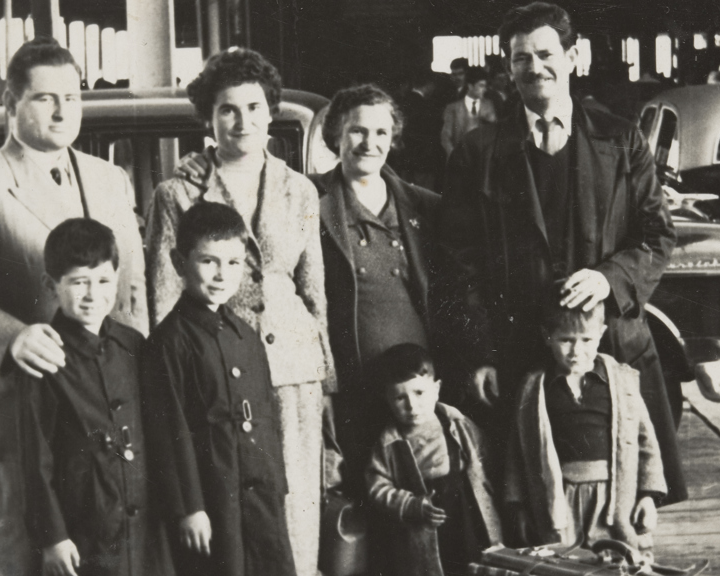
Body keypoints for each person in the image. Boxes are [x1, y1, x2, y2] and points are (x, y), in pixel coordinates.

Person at [438, 1, 687, 504]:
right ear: (508, 68)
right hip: (518, 359)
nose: (535, 67)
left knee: (620, 500)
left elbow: (658, 235)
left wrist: (610, 278)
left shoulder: (621, 139)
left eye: (546, 53)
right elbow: (456, 264)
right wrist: (479, 354)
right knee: (532, 509)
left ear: (573, 57)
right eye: (521, 58)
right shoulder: (478, 151)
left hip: (610, 353)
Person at [0, 37, 147, 575]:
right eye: (44, 98)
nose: (61, 110)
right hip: (29, 409)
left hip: (111, 418)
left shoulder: (110, 178)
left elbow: (133, 291)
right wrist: (12, 336)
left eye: (72, 98)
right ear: (11, 104)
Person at [144, 47, 333, 576]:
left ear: (271, 112)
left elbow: (314, 289)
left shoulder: (299, 189)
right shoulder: (178, 190)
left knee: (291, 510)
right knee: (221, 520)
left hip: (294, 367)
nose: (242, 121)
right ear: (209, 117)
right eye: (228, 109)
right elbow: (163, 291)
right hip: (209, 371)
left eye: (254, 107)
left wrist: (327, 378)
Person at [142, 204, 295, 576]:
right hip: (212, 496)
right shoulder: (169, 342)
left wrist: (277, 486)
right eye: (208, 261)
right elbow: (169, 431)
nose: (222, 275)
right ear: (180, 263)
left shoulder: (245, 334)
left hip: (261, 493)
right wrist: (189, 507)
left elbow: (266, 416)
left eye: (233, 263)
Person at [21, 219, 171, 576]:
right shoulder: (44, 354)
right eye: (78, 282)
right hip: (83, 526)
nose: (92, 294)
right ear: (51, 285)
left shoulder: (132, 345)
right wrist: (53, 537)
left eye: (103, 281)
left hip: (144, 524)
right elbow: (35, 455)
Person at [312, 84, 440, 500]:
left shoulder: (425, 206)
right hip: (352, 388)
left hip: (417, 393)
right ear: (335, 136)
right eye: (357, 131)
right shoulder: (309, 200)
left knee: (422, 497)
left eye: (381, 132)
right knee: (366, 498)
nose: (370, 143)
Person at [504, 299, 666, 556]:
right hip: (559, 499)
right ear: (547, 336)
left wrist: (649, 495)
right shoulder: (535, 387)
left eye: (586, 340)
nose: (576, 350)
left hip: (612, 498)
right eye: (566, 340)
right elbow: (518, 449)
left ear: (601, 334)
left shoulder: (621, 380)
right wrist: (518, 506)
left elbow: (646, 441)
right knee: (562, 561)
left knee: (618, 559)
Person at [366, 344, 502, 576]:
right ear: (386, 398)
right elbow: (377, 487)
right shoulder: (388, 443)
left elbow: (483, 456)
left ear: (436, 389)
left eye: (419, 393)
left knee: (477, 564)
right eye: (400, 397)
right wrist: (411, 505)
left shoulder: (457, 423)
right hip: (426, 519)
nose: (412, 406)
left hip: (466, 512)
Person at [441, 66, 497, 157]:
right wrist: (454, 157)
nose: (485, 89)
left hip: (483, 162)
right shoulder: (452, 108)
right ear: (470, 86)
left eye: (485, 86)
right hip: (459, 160)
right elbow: (445, 137)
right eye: (481, 86)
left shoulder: (489, 105)